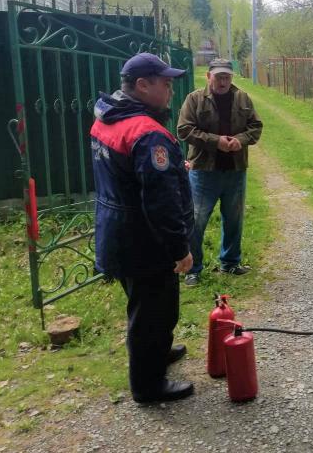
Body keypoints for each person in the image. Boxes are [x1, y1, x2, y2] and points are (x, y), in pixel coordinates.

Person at [90, 52, 194, 404]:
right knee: (153, 311)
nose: (169, 89)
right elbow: (160, 203)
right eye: (164, 83)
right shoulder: (147, 133)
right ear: (141, 85)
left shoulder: (106, 118)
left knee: (149, 307)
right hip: (144, 241)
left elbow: (129, 178)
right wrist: (180, 249)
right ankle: (148, 387)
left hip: (117, 229)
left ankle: (157, 353)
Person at [177, 58, 263, 286]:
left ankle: (230, 262)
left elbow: (256, 127)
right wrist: (217, 142)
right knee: (196, 220)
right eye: (219, 77)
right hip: (204, 171)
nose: (223, 81)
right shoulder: (194, 99)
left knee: (234, 219)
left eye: (227, 77)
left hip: (235, 170)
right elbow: (184, 130)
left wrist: (239, 140)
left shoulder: (242, 98)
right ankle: (193, 268)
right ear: (209, 76)